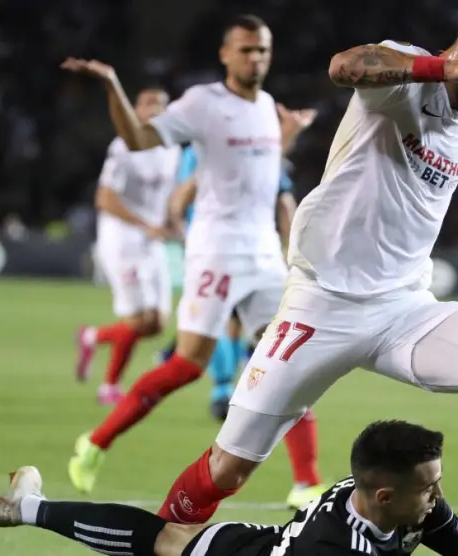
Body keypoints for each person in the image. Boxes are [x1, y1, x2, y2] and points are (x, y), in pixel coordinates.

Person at [149, 2, 458, 555]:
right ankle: (153, 541)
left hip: (404, 308)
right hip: (321, 304)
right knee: (228, 468)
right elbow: (345, 66)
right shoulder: (406, 76)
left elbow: (453, 129)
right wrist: (450, 71)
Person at [60, 13, 326, 510]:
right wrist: (113, 83)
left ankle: (305, 482)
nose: (255, 58)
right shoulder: (203, 103)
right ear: (225, 54)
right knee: (186, 365)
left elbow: (262, 176)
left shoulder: (267, 108)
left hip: (262, 255)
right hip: (216, 253)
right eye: (246, 49)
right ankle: (94, 443)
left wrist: (288, 134)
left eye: (263, 50)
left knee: (289, 362)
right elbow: (139, 138)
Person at [0, 421, 458, 556]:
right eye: (430, 487)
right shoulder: (335, 548)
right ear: (384, 496)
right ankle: (28, 509)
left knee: (168, 539)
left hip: (265, 543)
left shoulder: (413, 504)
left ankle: (27, 507)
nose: (438, 496)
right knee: (166, 543)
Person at [157, 148, 298, 422]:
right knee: (234, 325)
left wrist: (181, 226)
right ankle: (229, 389)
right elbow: (284, 200)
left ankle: (227, 388)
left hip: (216, 249)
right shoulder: (250, 146)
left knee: (228, 324)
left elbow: (179, 201)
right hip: (235, 250)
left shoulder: (200, 150)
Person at [75, 86, 181, 405]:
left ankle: (93, 337)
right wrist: (145, 224)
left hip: (152, 239)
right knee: (137, 320)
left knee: (157, 323)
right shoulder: (123, 146)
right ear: (135, 110)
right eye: (147, 104)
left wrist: (173, 223)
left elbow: (168, 196)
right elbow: (105, 198)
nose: (153, 109)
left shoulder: (171, 147)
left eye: (160, 105)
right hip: (122, 240)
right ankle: (109, 387)